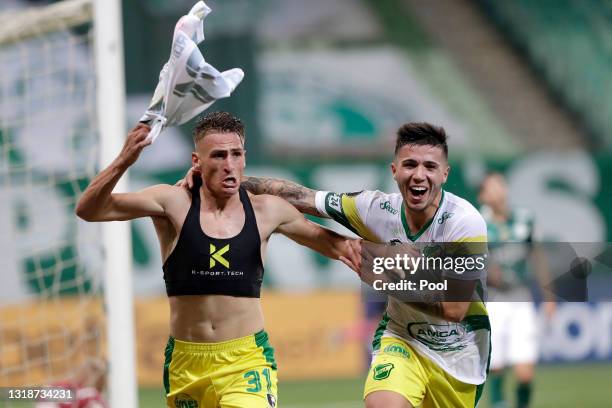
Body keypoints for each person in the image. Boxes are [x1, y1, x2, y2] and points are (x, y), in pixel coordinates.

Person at [182, 122, 491, 407]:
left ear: (445, 174)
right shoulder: (374, 208)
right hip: (402, 339)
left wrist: (390, 277)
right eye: (410, 165)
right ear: (394, 170)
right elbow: (300, 196)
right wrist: (223, 178)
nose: (419, 175)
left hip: (460, 356)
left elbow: (454, 309)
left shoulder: (464, 224)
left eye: (430, 167)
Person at [75, 111, 361, 408]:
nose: (229, 165)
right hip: (186, 363)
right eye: (219, 156)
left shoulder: (268, 211)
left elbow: (341, 248)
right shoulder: (171, 203)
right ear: (196, 162)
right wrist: (124, 159)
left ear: (245, 158)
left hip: (246, 360)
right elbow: (90, 210)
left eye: (236, 154)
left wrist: (403, 260)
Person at [478, 172, 555, 408]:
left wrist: (549, 297)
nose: (498, 191)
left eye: (500, 185)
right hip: (493, 301)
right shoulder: (477, 223)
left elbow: (539, 259)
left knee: (525, 372)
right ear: (483, 196)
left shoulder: (525, 219)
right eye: (492, 187)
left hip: (521, 299)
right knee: (497, 366)